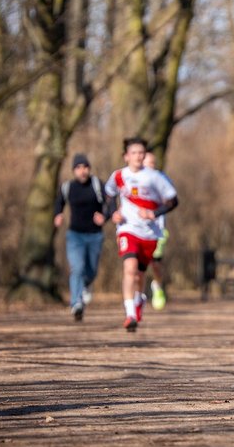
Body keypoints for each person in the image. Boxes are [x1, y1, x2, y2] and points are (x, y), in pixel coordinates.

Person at [104, 137, 179, 332]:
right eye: (134, 153)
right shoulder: (119, 176)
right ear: (126, 156)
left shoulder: (154, 177)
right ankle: (130, 313)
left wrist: (153, 213)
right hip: (127, 229)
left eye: (141, 153)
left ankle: (139, 299)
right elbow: (109, 193)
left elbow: (173, 201)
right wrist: (114, 212)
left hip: (150, 233)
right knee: (130, 268)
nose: (138, 156)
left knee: (139, 274)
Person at [53, 153, 106, 321]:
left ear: (89, 169)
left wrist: (105, 216)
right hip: (75, 235)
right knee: (77, 268)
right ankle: (76, 303)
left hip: (95, 235)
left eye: (85, 167)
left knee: (91, 271)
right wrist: (58, 214)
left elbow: (110, 203)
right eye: (78, 168)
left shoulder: (97, 185)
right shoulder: (67, 187)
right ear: (74, 170)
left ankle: (85, 286)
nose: (82, 171)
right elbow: (59, 203)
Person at [143, 150, 173, 310]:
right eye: (146, 164)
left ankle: (157, 286)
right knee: (134, 265)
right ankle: (135, 299)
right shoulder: (132, 179)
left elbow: (171, 201)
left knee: (155, 265)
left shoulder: (162, 180)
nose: (149, 168)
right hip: (137, 229)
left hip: (158, 230)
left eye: (152, 164)